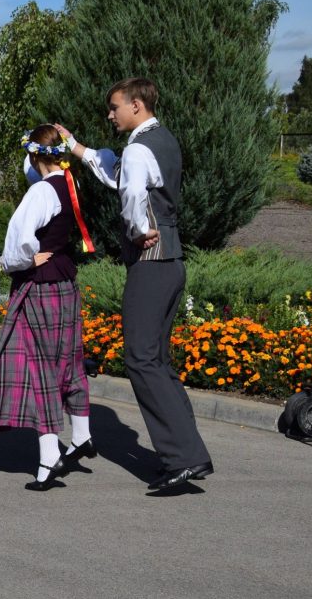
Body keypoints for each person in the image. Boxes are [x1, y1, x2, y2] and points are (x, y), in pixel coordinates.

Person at [57, 77, 213, 491]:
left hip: (151, 261)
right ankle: (186, 453)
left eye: (114, 107)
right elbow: (116, 171)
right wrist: (76, 147)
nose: (110, 114)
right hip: (171, 261)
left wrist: (139, 229)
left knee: (141, 358)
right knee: (155, 359)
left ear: (136, 106)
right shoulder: (162, 140)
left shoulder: (139, 148)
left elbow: (130, 191)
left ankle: (185, 457)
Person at [0, 125, 95, 491]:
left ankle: (49, 456)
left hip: (41, 283)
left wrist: (19, 262)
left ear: (33, 155)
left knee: (39, 367)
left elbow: (19, 240)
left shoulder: (42, 190)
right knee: (68, 357)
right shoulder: (70, 183)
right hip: (65, 281)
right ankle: (82, 434)